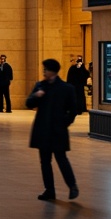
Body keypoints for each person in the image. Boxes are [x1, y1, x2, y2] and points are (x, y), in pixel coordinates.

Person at [27, 58, 80, 201]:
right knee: (45, 161)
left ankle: (72, 186)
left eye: (46, 69)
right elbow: (28, 103)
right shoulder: (40, 86)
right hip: (43, 129)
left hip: (58, 130)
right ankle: (49, 190)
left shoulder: (66, 88)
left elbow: (73, 109)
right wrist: (36, 96)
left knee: (61, 158)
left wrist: (64, 123)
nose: (43, 72)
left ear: (52, 71)